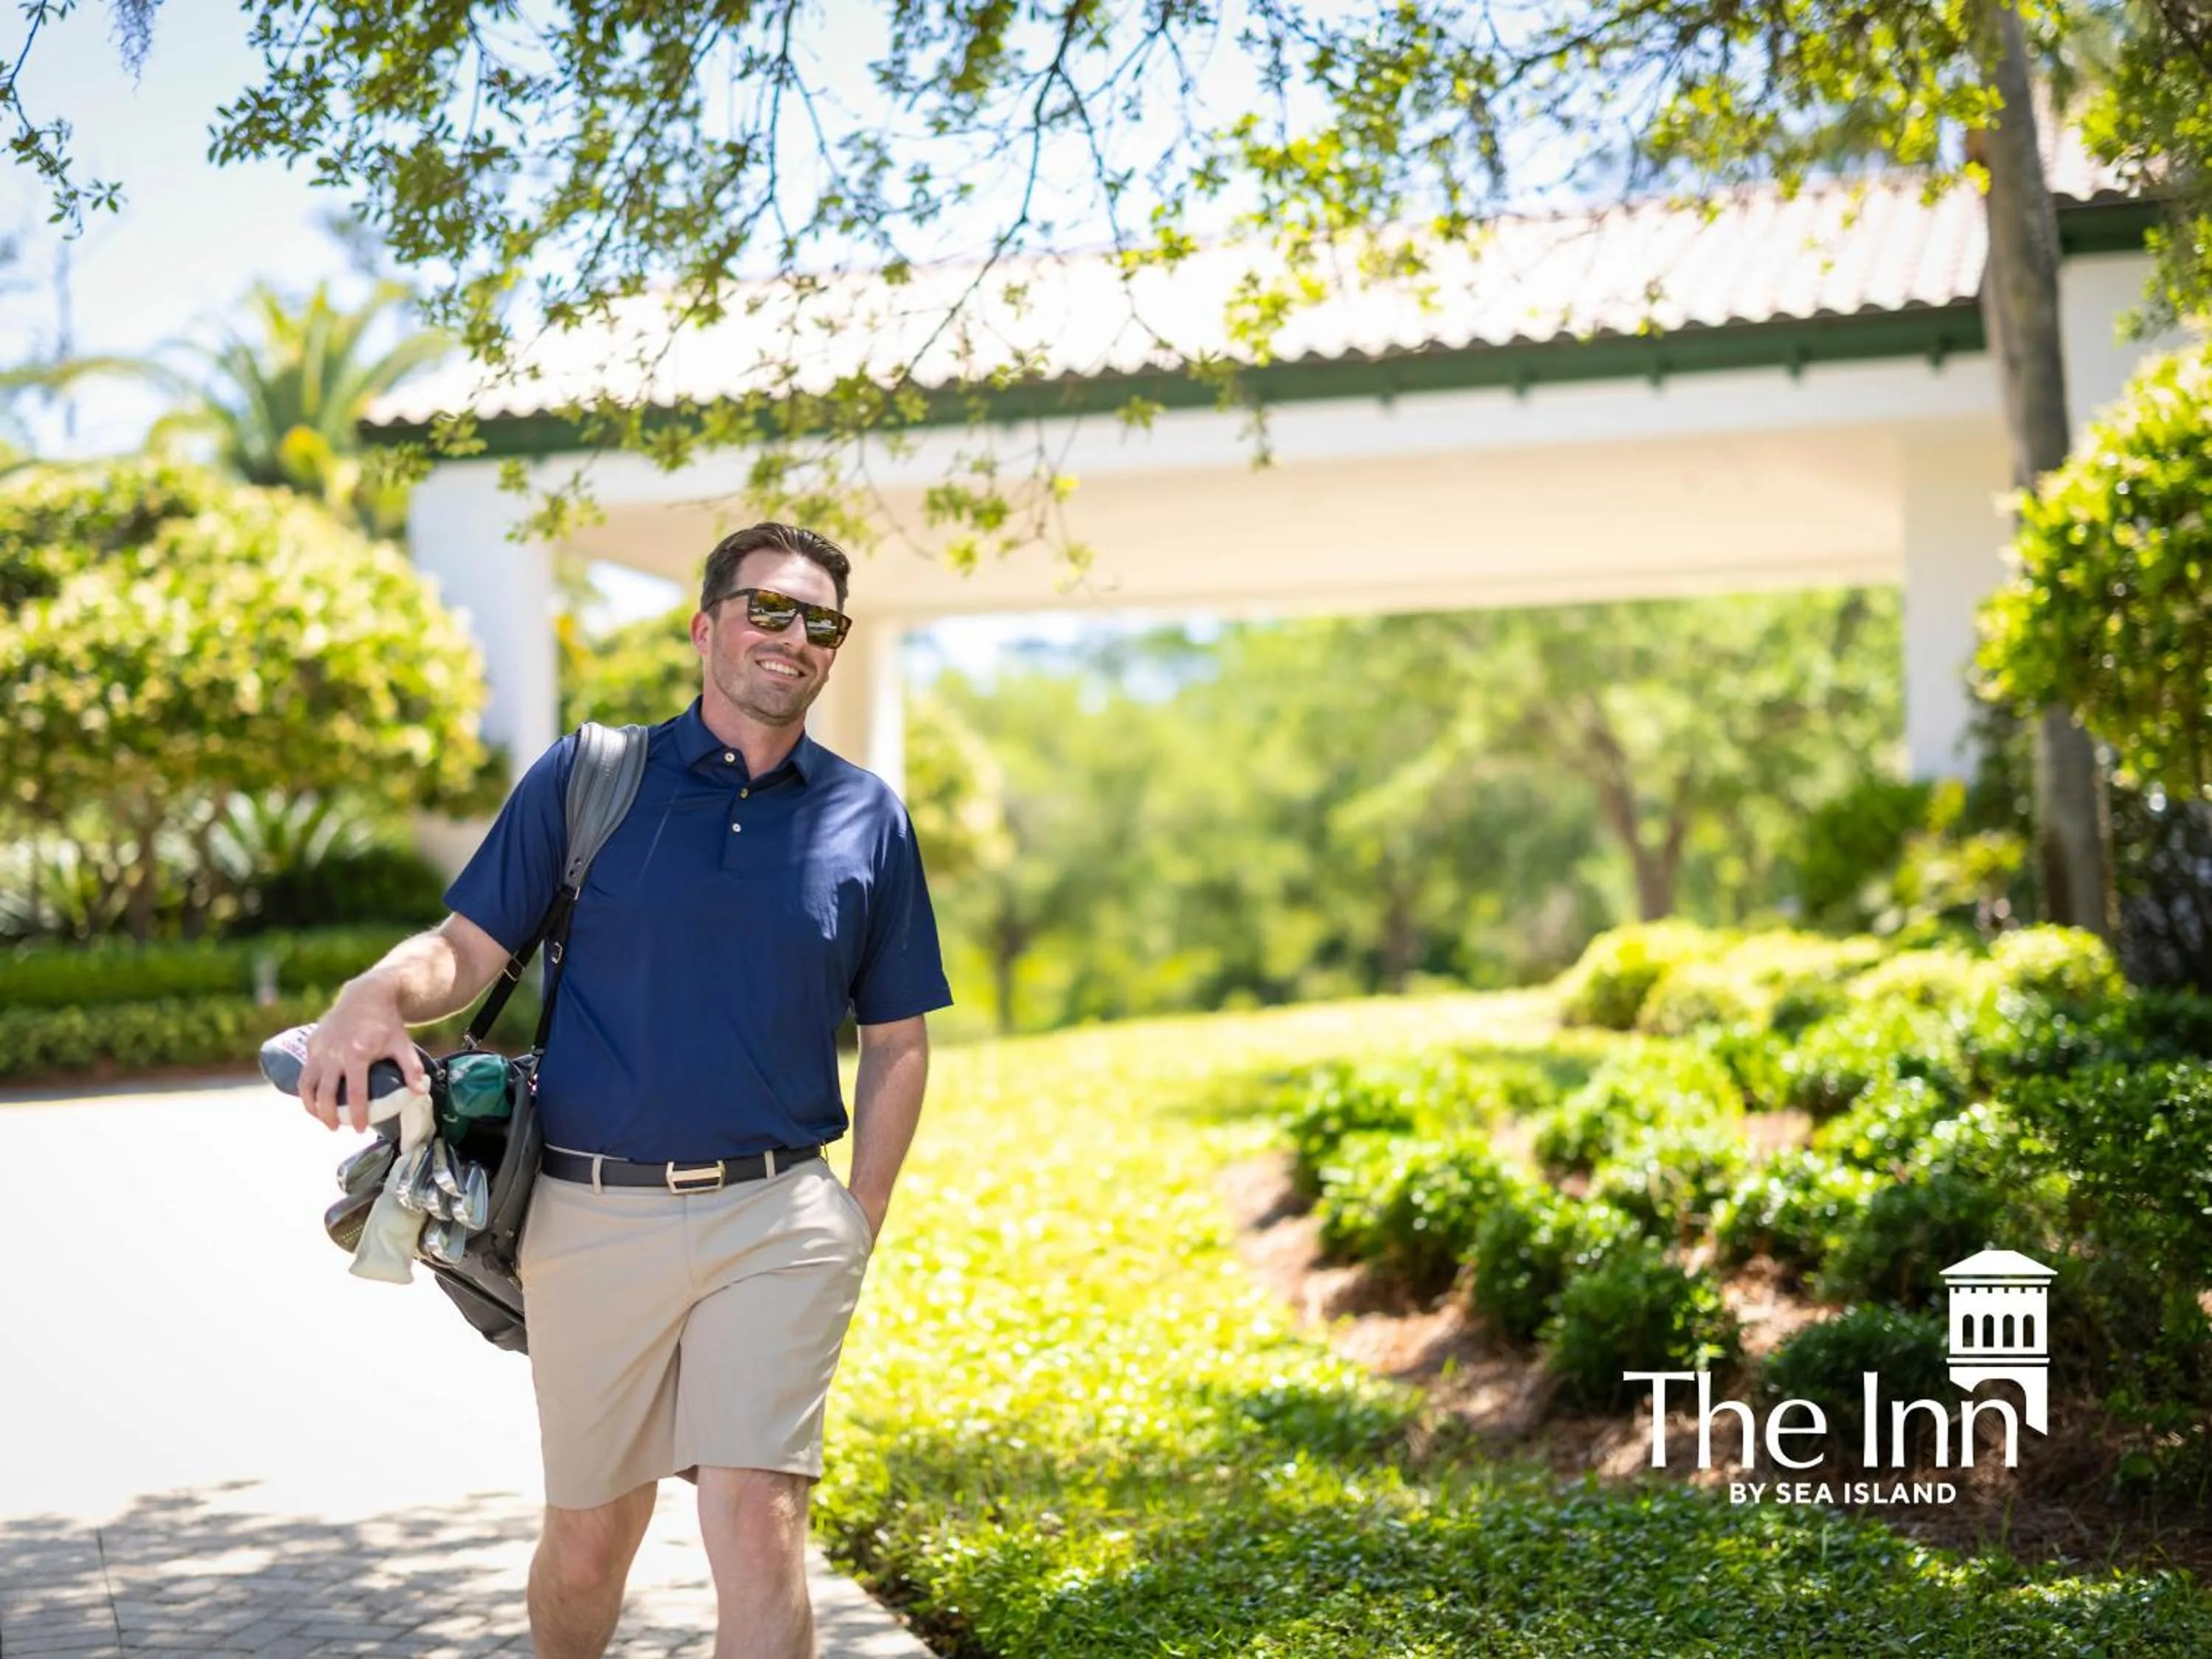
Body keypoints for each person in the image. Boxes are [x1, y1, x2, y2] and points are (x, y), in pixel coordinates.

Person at [295, 521, 951, 1659]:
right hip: (590, 1212)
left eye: (821, 622)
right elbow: (464, 950)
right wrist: (374, 994)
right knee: (592, 1543)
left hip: (779, 1216)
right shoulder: (592, 777)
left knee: (759, 1518)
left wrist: (857, 1217)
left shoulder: (866, 816)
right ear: (707, 627)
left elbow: (898, 1040)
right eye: (767, 608)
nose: (793, 635)